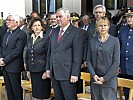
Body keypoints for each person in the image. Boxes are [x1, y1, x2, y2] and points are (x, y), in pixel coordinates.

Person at [46, 8, 84, 100]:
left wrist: (75, 73)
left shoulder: (76, 32)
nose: (58, 19)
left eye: (60, 17)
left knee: (69, 97)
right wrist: (48, 68)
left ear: (68, 17)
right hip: (55, 72)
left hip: (68, 74)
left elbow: (78, 54)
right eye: (57, 17)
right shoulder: (54, 31)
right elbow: (50, 52)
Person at [87, 17, 120, 100]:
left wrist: (105, 78)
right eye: (100, 25)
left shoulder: (115, 41)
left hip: (109, 79)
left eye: (105, 25)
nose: (103, 27)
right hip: (95, 79)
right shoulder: (92, 41)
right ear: (97, 27)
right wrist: (93, 75)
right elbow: (89, 60)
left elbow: (116, 62)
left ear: (108, 26)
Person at [0, 15, 27, 100]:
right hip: (5, 66)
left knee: (16, 90)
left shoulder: (21, 34)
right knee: (9, 90)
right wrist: (0, 58)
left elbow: (17, 51)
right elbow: (2, 47)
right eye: (7, 20)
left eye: (9, 20)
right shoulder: (7, 33)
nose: (7, 21)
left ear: (16, 22)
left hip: (14, 66)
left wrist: (5, 60)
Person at [26, 17, 51, 100]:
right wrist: (28, 70)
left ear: (42, 27)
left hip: (42, 70)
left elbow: (48, 55)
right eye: (34, 25)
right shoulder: (30, 38)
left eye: (39, 25)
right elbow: (27, 54)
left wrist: (46, 70)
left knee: (44, 94)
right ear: (31, 27)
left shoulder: (46, 38)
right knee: (36, 94)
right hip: (33, 70)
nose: (37, 27)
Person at [118, 7, 133, 100]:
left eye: (131, 17)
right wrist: (119, 65)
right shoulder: (122, 29)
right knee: (126, 93)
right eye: (128, 17)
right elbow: (118, 47)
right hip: (124, 66)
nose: (129, 19)